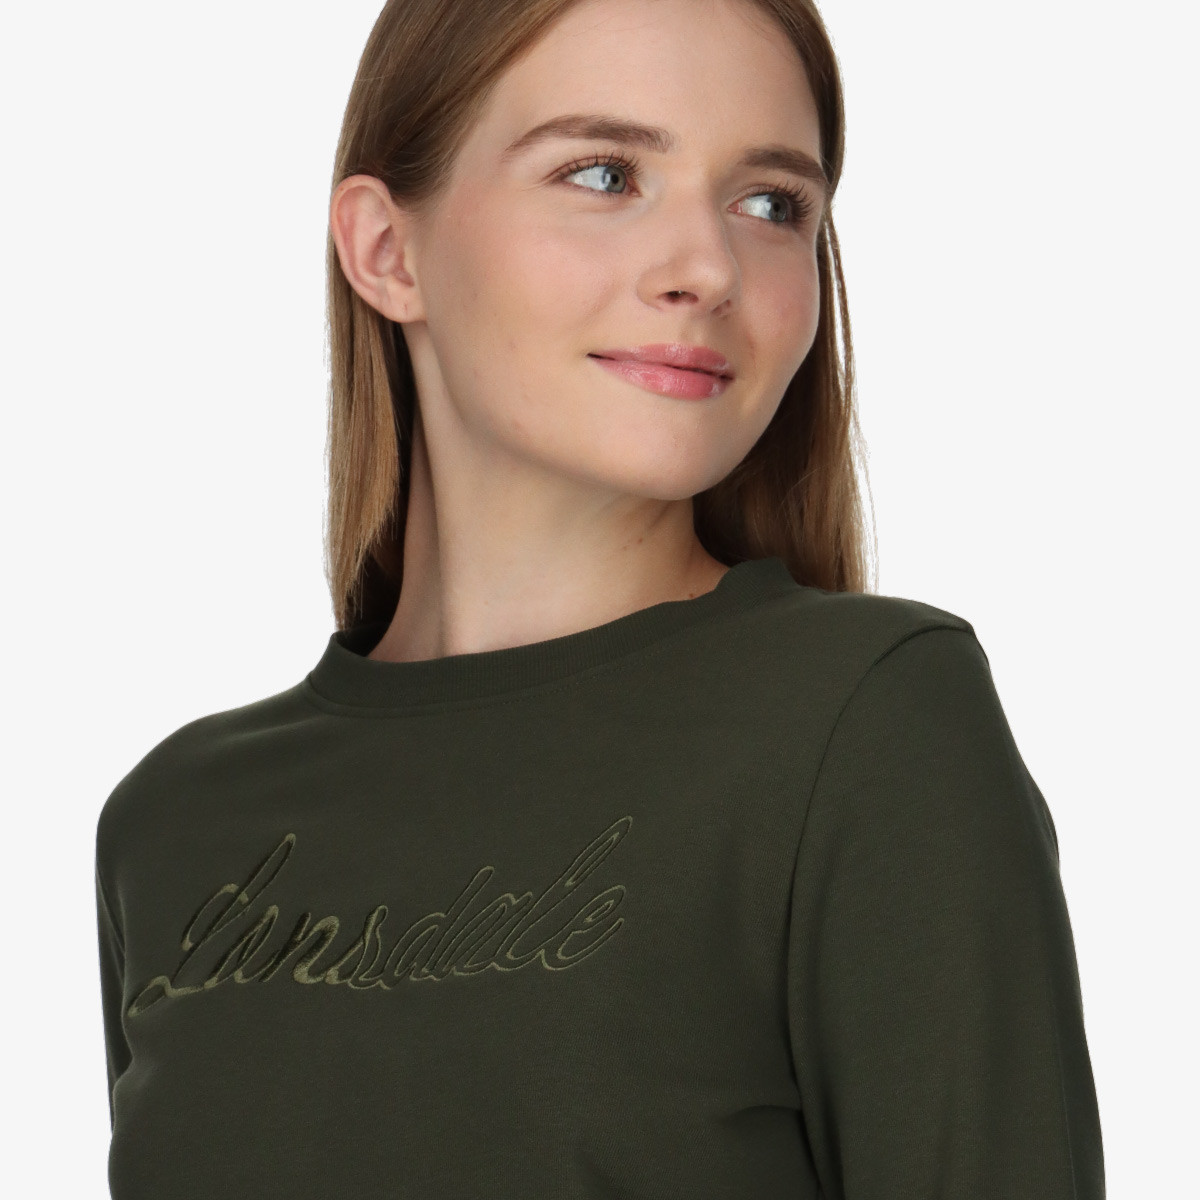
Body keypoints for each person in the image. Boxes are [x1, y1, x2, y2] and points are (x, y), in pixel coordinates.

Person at [93, 0, 1106, 1196]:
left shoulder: (864, 725)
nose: (708, 270)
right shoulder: (177, 824)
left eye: (771, 203)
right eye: (605, 174)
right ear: (388, 252)